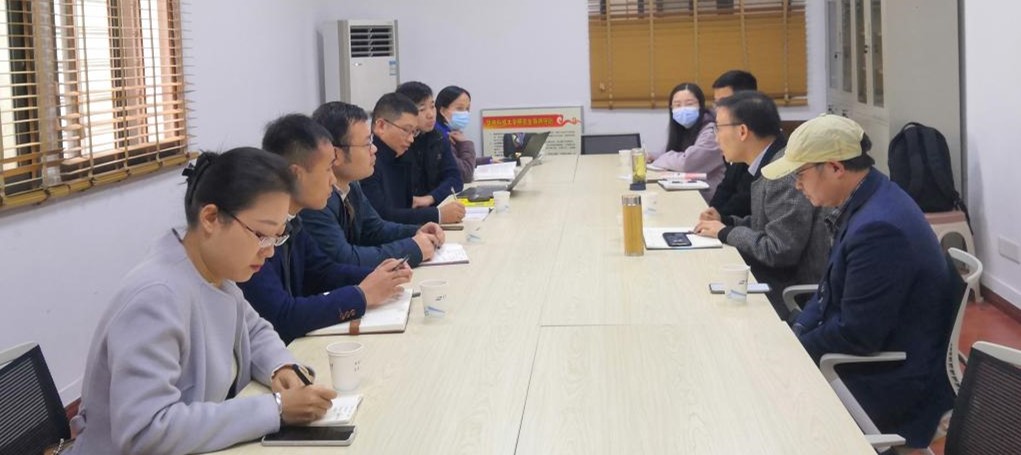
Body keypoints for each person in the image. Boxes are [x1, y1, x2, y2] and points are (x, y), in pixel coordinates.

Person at [69, 149, 338, 454]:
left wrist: (280, 366)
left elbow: (253, 330)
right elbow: (146, 431)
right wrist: (275, 408)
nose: (269, 251)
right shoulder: (156, 297)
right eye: (262, 234)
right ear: (210, 218)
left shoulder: (214, 272)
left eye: (278, 236)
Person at [761, 114, 957, 449]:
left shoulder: (879, 229)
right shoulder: (869, 199)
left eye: (800, 174)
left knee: (767, 404)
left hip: (889, 379)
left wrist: (794, 352)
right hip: (874, 355)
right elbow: (827, 290)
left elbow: (857, 335)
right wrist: (797, 330)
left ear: (835, 168)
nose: (796, 185)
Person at [239, 114, 412, 344]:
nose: (332, 179)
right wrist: (361, 295)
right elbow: (281, 316)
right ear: (295, 174)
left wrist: (378, 276)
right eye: (328, 168)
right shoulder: (254, 233)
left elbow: (322, 272)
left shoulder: (293, 221)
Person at [693, 91, 829, 318]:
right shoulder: (769, 162)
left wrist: (726, 232)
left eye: (718, 128)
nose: (716, 139)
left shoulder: (783, 173)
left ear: (742, 131)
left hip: (789, 292)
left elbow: (779, 250)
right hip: (774, 278)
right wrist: (726, 221)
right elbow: (766, 224)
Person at [304, 101, 445, 268]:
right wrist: (413, 248)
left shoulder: (351, 185)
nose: (374, 149)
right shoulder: (316, 200)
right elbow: (345, 259)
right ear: (336, 154)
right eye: (367, 144)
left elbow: (375, 229)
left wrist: (417, 231)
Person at [361, 92, 466, 224]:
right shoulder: (368, 161)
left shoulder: (401, 156)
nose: (411, 139)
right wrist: (438, 215)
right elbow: (382, 218)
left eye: (414, 132)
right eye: (406, 130)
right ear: (381, 126)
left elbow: (406, 208)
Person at [647, 82, 725, 201]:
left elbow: (688, 163)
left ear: (701, 105)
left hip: (709, 198)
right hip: (688, 192)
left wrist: (662, 158)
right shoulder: (684, 129)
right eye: (677, 105)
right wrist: (652, 156)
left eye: (689, 104)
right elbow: (672, 153)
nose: (683, 109)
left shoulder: (711, 131)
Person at [395, 81, 465, 208]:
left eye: (432, 107)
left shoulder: (438, 137)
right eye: (422, 109)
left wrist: (430, 198)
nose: (431, 115)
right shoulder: (397, 143)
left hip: (433, 208)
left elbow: (454, 178)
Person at [709, 70, 759, 218]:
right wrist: (712, 212)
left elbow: (746, 197)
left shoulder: (756, 139)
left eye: (724, 102)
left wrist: (721, 219)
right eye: (716, 103)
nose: (718, 109)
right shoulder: (732, 135)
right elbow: (727, 186)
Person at [435, 85, 492, 182]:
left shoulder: (449, 131)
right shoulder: (439, 137)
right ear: (443, 111)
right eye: (460, 108)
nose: (465, 113)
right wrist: (466, 143)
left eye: (467, 109)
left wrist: (487, 161)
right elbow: (465, 174)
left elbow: (457, 162)